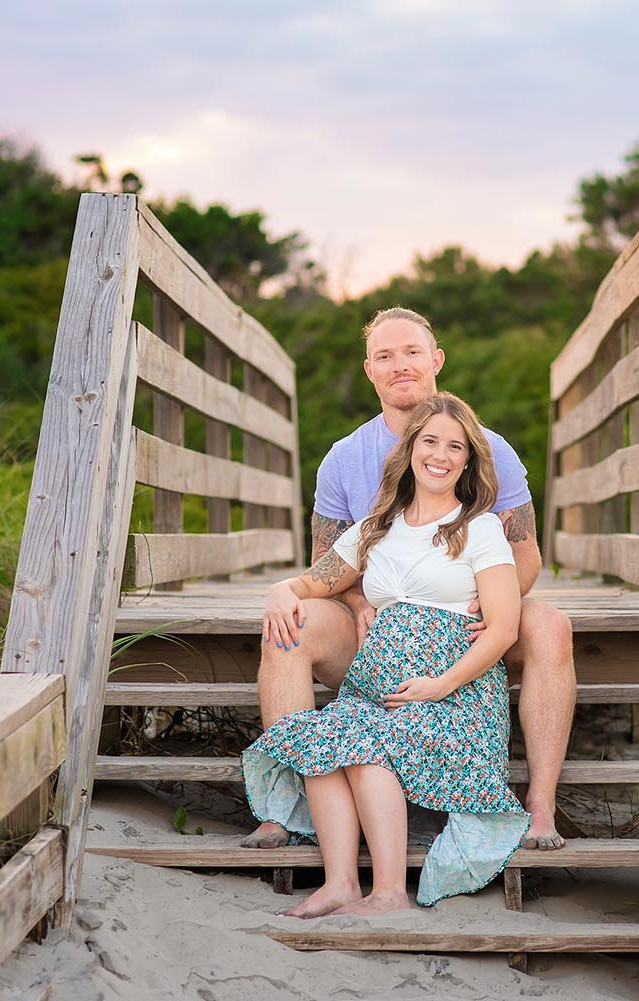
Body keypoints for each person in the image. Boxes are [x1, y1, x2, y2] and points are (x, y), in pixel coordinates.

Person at [243, 307, 576, 852]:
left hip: (467, 620)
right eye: (385, 356)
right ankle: (283, 807)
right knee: (290, 627)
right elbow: (328, 564)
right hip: (376, 624)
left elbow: (526, 555)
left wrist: (485, 607)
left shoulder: (488, 451)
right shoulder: (344, 460)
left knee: (551, 628)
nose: (400, 365)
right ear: (369, 370)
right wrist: (353, 602)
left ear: (436, 360)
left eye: (412, 352)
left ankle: (540, 806)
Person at [242, 393, 530, 915]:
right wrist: (280, 591)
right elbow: (313, 581)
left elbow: (504, 630)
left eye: (455, 446)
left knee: (363, 743)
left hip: (454, 702)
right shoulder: (376, 528)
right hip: (379, 696)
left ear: (468, 459)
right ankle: (340, 885)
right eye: (430, 442)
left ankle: (391, 892)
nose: (440, 455)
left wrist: (440, 684)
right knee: (315, 735)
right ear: (410, 449)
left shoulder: (480, 529)